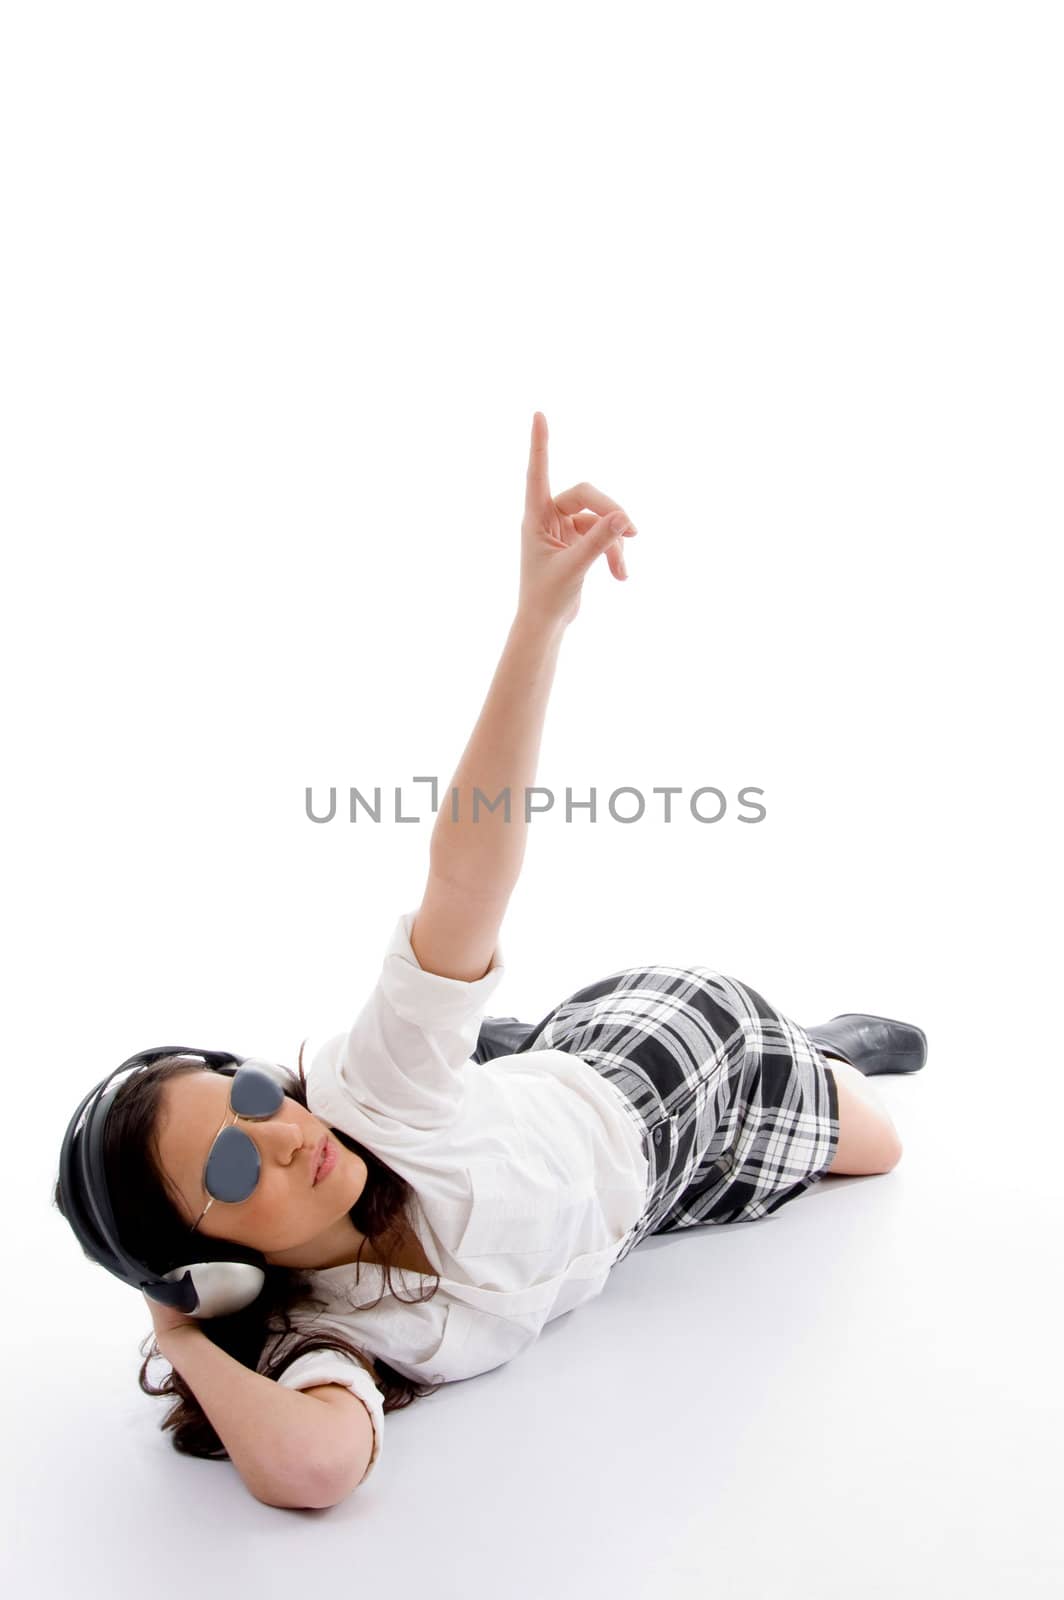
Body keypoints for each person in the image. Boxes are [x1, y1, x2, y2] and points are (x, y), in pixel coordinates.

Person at [54, 412, 925, 1511]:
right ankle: (808, 1055)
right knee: (868, 1153)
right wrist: (177, 1328)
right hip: (658, 1200)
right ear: (208, 1263)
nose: (281, 1134)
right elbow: (316, 1470)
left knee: (878, 1145)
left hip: (670, 1054)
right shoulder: (326, 1333)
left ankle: (812, 1044)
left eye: (253, 1094)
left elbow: (466, 879)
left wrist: (538, 619)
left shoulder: (369, 1089)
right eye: (229, 1171)